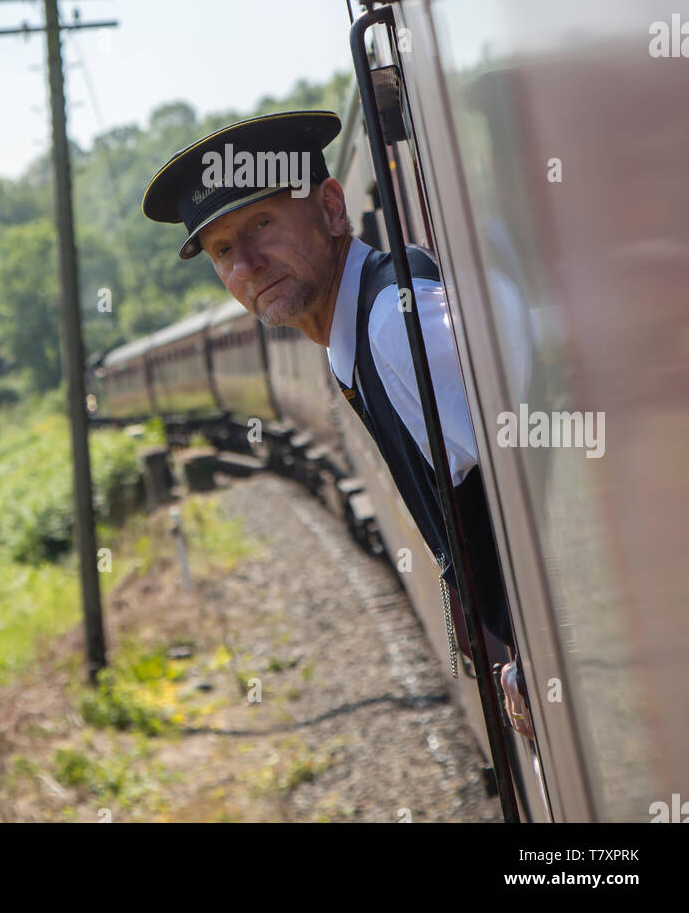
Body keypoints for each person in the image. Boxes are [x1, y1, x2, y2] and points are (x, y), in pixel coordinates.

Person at [142, 109, 533, 738]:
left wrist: (537, 656)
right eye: (221, 251)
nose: (247, 263)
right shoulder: (354, 337)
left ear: (330, 209)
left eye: (261, 223)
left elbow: (538, 494)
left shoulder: (394, 326)